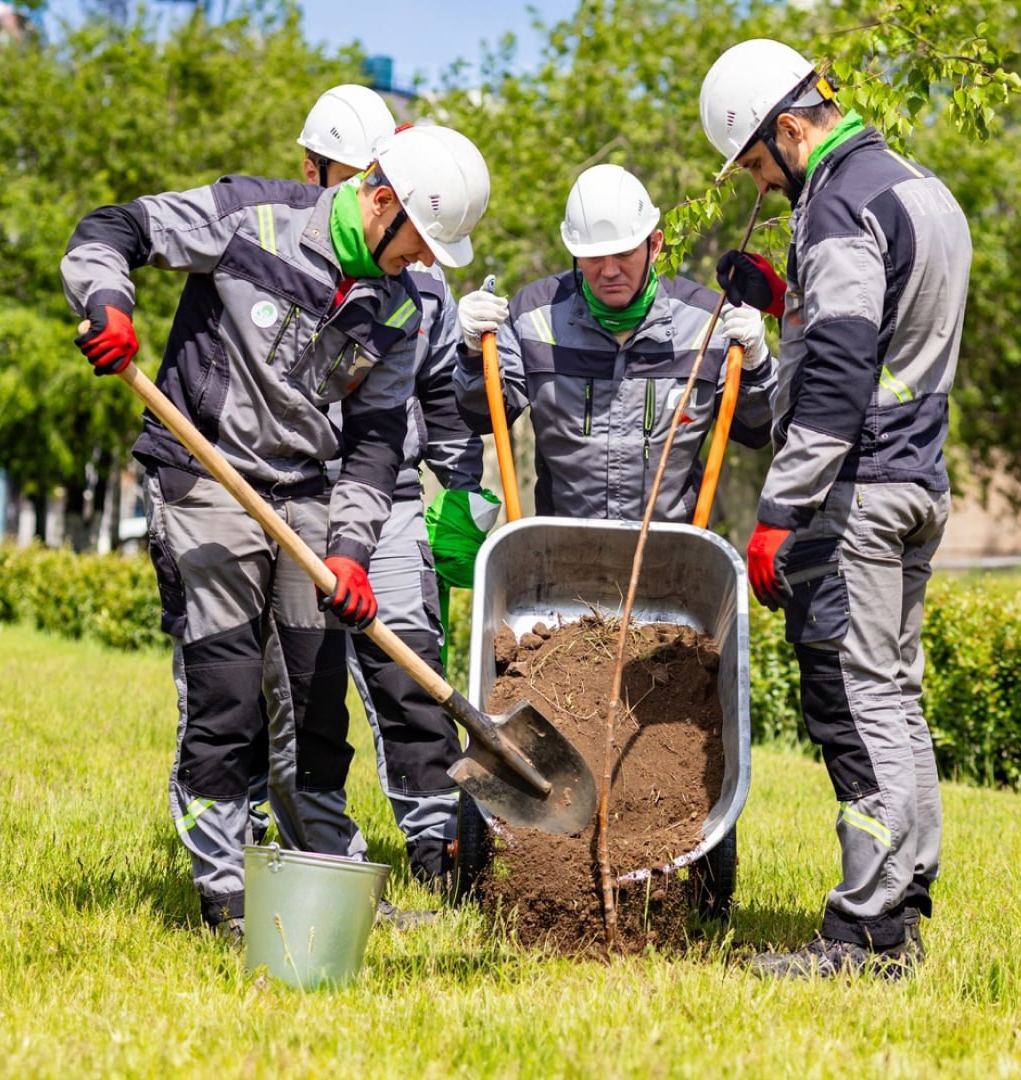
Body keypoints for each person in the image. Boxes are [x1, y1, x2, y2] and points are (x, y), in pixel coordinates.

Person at [61, 123, 491, 938]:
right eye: (422, 241)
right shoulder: (251, 217)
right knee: (227, 692)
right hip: (205, 477)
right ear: (383, 201)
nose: (425, 261)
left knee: (316, 701)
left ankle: (330, 884)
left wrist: (350, 551)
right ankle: (227, 897)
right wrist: (106, 302)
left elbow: (374, 443)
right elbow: (115, 228)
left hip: (306, 494)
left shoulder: (398, 305)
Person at [699, 38, 972, 978]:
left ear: (788, 128)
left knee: (854, 704)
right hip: (918, 480)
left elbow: (846, 368)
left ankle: (865, 934)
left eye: (756, 165)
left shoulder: (838, 204)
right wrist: (788, 305)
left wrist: (781, 506)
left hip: (858, 491)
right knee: (893, 696)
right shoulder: (917, 187)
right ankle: (905, 898)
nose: (762, 186)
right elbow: (889, 331)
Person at [296, 86, 500, 892]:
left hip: (389, 502)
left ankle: (438, 845)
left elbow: (443, 397)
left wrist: (462, 488)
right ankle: (307, 847)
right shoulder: (293, 260)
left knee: (413, 673)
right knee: (305, 684)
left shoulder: (424, 283)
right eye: (343, 173)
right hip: (294, 492)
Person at [452, 163, 775, 523]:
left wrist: (756, 366)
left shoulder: (706, 323)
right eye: (593, 257)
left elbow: (756, 429)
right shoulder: (535, 318)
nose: (608, 270)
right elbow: (484, 415)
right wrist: (473, 354)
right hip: (562, 546)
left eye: (623, 254)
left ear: (654, 245)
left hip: (672, 550)